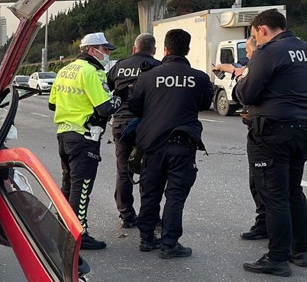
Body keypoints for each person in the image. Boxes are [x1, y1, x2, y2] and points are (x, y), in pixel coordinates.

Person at [234, 9, 307, 277]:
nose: (256, 40)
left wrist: (240, 80)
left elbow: (248, 91)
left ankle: (277, 257)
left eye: (255, 35)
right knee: (292, 190)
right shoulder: (303, 49)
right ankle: (301, 249)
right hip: (301, 129)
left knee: (274, 195)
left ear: (262, 30)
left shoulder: (269, 52)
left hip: (272, 131)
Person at [129, 29, 212, 258]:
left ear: (165, 49)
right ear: (187, 49)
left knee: (150, 192)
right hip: (181, 144)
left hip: (152, 144)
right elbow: (204, 104)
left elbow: (135, 107)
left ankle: (146, 238)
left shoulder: (147, 77)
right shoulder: (200, 77)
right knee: (175, 196)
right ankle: (169, 244)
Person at [48, 32, 121, 250]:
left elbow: (52, 105)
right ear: (91, 50)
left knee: (68, 185)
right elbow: (105, 107)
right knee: (81, 187)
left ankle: (63, 230)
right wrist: (120, 97)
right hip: (84, 136)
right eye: (105, 49)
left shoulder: (64, 70)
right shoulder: (91, 72)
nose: (107, 54)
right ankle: (79, 234)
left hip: (64, 135)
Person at [106, 33, 162, 229]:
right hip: (147, 125)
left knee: (124, 170)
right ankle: (150, 216)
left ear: (134, 49)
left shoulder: (120, 65)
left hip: (121, 123)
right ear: (153, 50)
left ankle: (126, 215)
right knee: (150, 171)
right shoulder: (158, 67)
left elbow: (109, 86)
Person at [223, 37, 268, 241]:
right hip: (288, 128)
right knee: (286, 188)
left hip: (265, 133)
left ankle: (268, 228)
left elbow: (243, 94)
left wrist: (239, 77)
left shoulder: (260, 65)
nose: (248, 56)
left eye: (249, 52)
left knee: (264, 184)